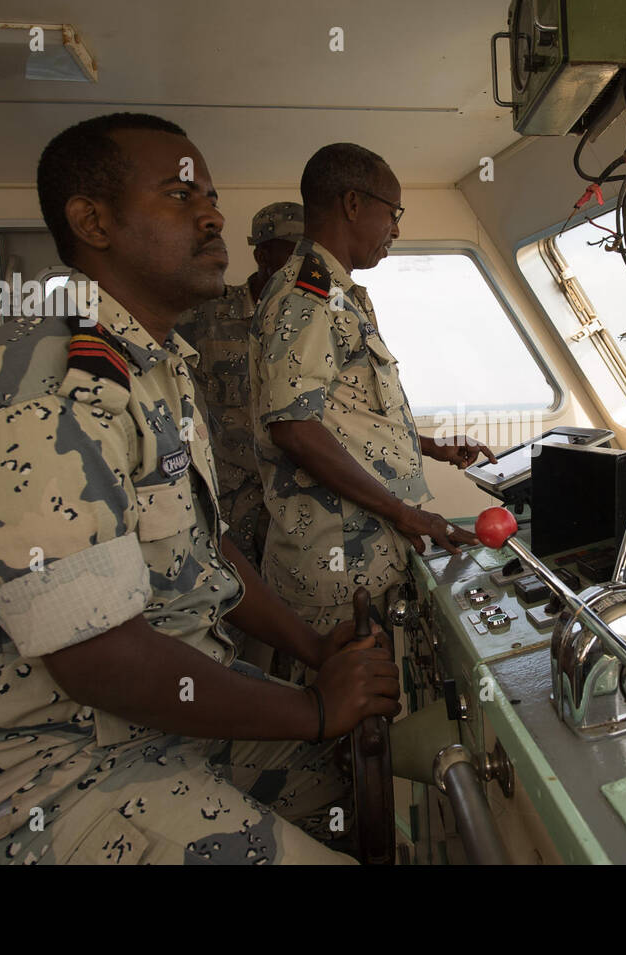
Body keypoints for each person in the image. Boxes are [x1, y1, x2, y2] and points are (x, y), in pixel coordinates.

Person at [0, 113, 399, 865]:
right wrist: (315, 704)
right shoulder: (47, 387)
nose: (212, 215)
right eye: (179, 195)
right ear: (92, 221)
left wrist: (313, 646)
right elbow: (98, 657)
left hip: (132, 725)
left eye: (212, 198)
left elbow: (208, 545)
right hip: (17, 785)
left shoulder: (153, 364)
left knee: (339, 788)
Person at [248, 143, 497, 679]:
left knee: (369, 723)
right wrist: (404, 512)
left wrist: (431, 447)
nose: (397, 229)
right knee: (336, 727)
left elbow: (349, 413)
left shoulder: (341, 295)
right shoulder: (307, 296)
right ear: (354, 204)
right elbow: (293, 427)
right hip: (334, 562)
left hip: (366, 548)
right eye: (394, 212)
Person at [174, 202, 303, 571]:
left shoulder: (311, 322)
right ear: (263, 253)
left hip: (294, 492)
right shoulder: (205, 312)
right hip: (226, 494)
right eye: (293, 250)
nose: (303, 262)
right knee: (232, 592)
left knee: (291, 596)